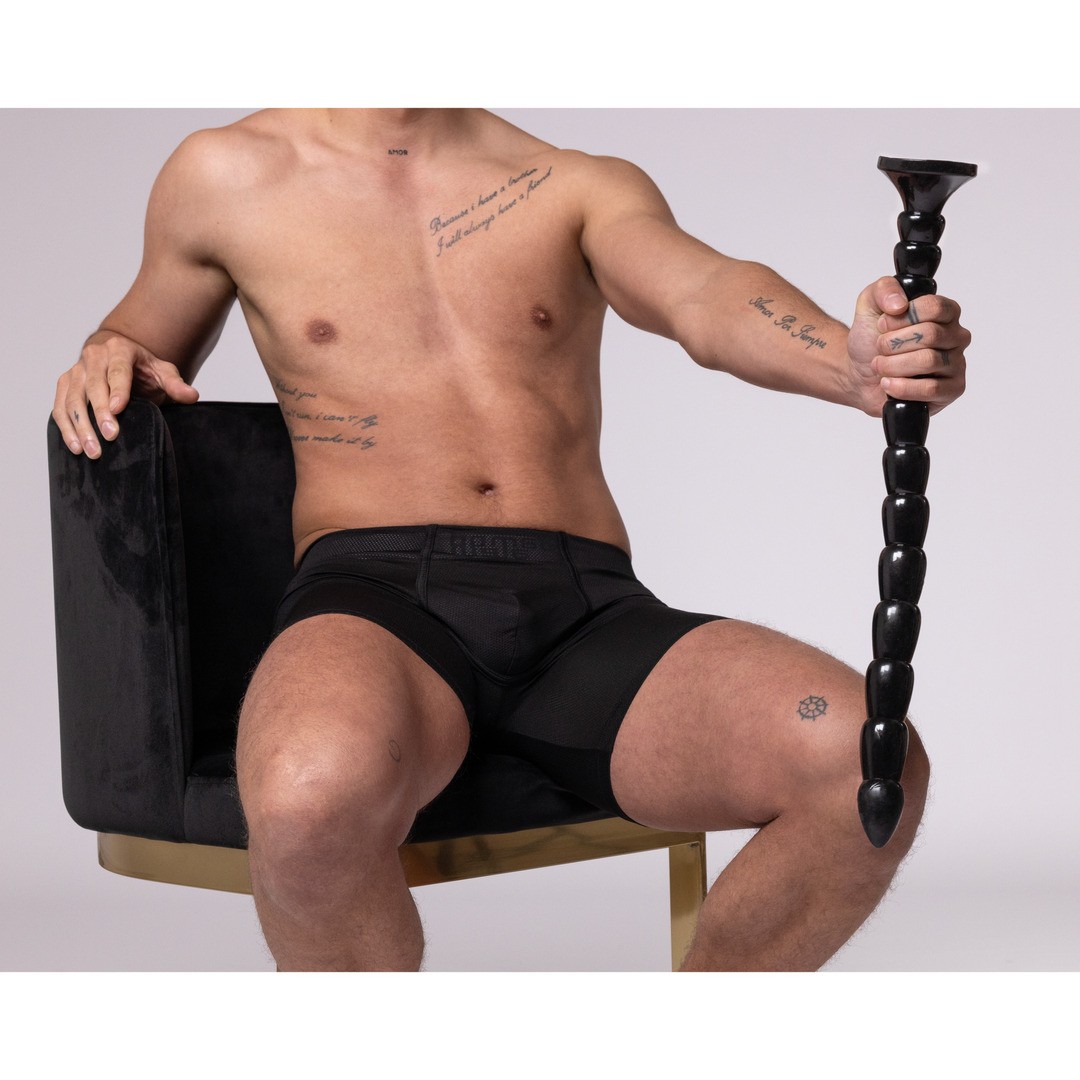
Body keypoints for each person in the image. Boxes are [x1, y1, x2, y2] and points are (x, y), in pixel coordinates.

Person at [52, 108, 969, 971]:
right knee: (305, 800)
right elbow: (138, 338)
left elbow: (705, 292)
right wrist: (108, 348)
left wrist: (850, 361)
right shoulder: (224, 175)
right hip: (376, 601)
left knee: (859, 762)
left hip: (584, 615)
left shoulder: (569, 182)